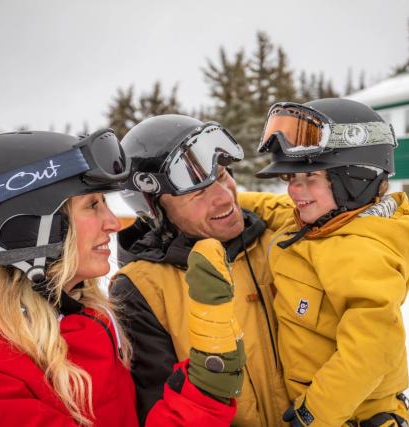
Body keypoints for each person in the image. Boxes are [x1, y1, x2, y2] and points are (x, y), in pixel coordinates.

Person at [0, 129, 243, 426]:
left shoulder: (86, 317)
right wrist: (205, 392)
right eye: (93, 205)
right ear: (34, 228)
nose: (113, 223)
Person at [194, 98, 409, 426]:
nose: (295, 192)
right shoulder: (316, 219)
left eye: (309, 177)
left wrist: (312, 415)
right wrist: (225, 203)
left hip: (350, 416)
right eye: (290, 180)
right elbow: (271, 207)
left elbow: (370, 353)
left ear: (355, 178)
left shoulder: (364, 251)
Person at [110, 115, 289, 426]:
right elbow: (163, 411)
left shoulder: (281, 243)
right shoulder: (141, 290)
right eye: (197, 194)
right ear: (157, 213)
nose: (224, 197)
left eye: (221, 177)